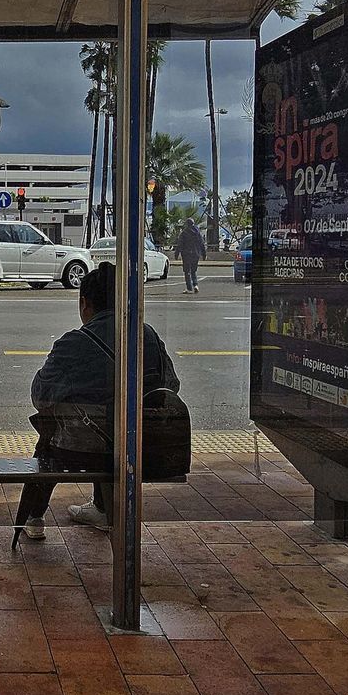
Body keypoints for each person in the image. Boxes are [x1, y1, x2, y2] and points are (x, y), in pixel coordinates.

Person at [20, 262, 180, 538]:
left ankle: (33, 518)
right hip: (143, 447)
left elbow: (40, 396)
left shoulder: (74, 344)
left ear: (85, 303)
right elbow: (171, 386)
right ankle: (103, 508)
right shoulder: (148, 336)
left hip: (77, 451)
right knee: (110, 427)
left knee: (53, 435)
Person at [175, 219, 206, 293]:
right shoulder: (198, 233)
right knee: (193, 271)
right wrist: (204, 254)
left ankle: (189, 288)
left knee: (187, 272)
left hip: (186, 255)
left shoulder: (184, 233)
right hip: (196, 254)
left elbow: (180, 245)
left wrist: (176, 254)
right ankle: (195, 285)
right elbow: (202, 244)